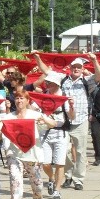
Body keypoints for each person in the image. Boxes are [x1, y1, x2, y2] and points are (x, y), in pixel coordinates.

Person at [0, 88, 55, 199]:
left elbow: (53, 124)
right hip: (14, 154)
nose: (19, 100)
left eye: (22, 98)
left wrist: (44, 121)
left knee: (36, 182)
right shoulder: (8, 117)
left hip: (33, 154)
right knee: (15, 181)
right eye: (17, 98)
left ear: (27, 101)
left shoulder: (34, 115)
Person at [35, 55, 92, 190]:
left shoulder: (86, 81)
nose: (76, 69)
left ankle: (78, 179)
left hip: (81, 120)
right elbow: (47, 72)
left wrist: (94, 61)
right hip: (65, 121)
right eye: (74, 67)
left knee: (79, 151)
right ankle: (68, 175)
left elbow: (98, 76)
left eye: (79, 67)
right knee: (65, 152)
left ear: (82, 68)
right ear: (70, 68)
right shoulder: (63, 78)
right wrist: (37, 58)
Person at [41, 72, 75, 199]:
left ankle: (57, 190)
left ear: (56, 84)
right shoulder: (44, 96)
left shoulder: (63, 97)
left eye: (49, 83)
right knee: (45, 163)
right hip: (46, 133)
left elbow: (72, 117)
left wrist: (72, 106)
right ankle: (51, 178)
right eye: (46, 82)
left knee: (60, 163)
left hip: (61, 132)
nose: (47, 84)